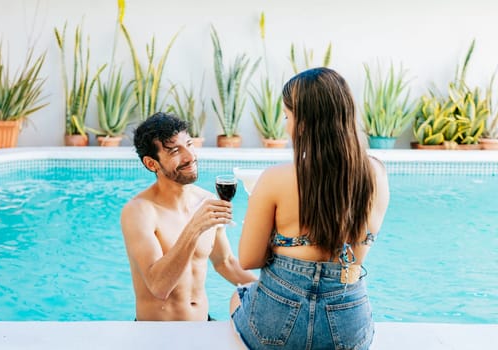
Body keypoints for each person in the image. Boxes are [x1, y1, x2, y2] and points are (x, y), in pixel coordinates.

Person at [230, 67, 390, 349]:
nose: (285, 125)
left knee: (238, 296)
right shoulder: (376, 174)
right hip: (347, 323)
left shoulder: (275, 179)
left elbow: (249, 259)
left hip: (277, 322)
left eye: (287, 116)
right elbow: (357, 254)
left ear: (303, 122)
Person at [121, 112, 256, 321]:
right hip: (157, 334)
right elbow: (159, 286)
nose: (190, 156)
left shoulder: (206, 200)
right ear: (151, 163)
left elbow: (225, 263)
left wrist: (269, 292)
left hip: (203, 324)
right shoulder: (139, 211)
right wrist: (195, 228)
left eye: (189, 144)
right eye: (175, 151)